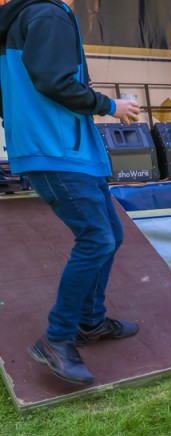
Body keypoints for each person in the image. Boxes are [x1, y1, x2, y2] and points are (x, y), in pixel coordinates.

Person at [0, 0, 140, 385]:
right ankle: (57, 337)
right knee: (97, 238)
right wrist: (111, 105)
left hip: (60, 146)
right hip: (58, 148)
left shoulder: (27, 15)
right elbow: (54, 80)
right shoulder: (48, 14)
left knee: (109, 235)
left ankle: (89, 323)